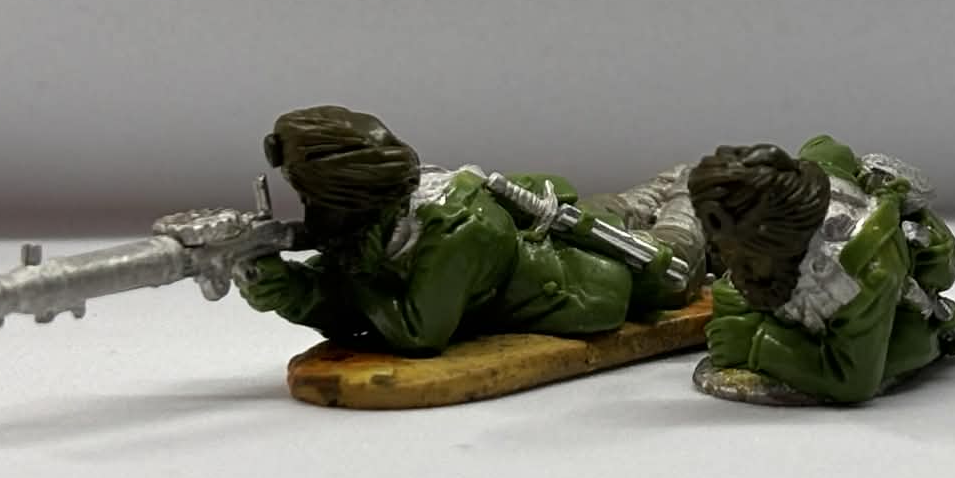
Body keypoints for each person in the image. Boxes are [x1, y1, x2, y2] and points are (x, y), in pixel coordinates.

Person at [236, 105, 703, 353]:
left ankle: (690, 187)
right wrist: (290, 290)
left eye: (313, 199)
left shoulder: (454, 232)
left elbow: (418, 331)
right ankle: (669, 182)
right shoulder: (377, 226)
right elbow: (355, 300)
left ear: (351, 196)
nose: (311, 214)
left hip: (594, 275)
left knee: (680, 236)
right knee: (628, 203)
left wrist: (340, 273)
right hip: (559, 223)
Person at [687, 137, 955, 403]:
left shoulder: (858, 274)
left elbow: (852, 380)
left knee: (906, 343)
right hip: (799, 258)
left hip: (898, 299)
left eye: (741, 256)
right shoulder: (759, 244)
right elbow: (827, 148)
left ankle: (943, 328)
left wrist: (757, 343)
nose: (725, 259)